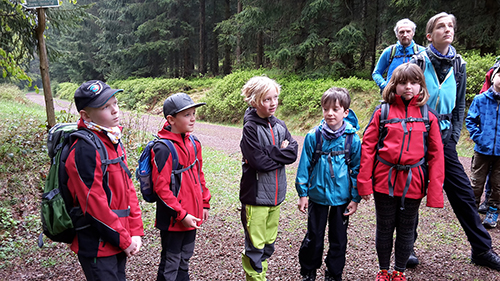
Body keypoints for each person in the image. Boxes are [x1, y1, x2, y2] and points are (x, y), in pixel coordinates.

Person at [411, 12, 500, 271]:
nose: (447, 29)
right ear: (430, 35)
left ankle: (482, 249)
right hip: (417, 136)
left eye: (450, 26)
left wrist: (453, 134)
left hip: (445, 139)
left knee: (462, 194)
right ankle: (407, 248)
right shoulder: (419, 61)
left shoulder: (458, 64)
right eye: (441, 26)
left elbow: (460, 104)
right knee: (412, 192)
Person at [358, 63, 445, 281]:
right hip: (383, 181)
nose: (408, 87)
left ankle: (399, 271)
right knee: (384, 228)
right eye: (403, 82)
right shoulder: (382, 112)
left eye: (414, 82)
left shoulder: (429, 117)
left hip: (413, 182)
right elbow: (367, 149)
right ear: (393, 85)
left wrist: (434, 192)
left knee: (406, 230)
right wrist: (364, 183)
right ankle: (383, 270)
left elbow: (436, 156)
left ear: (421, 86)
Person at [67, 80, 144, 280]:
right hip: (97, 245)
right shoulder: (84, 149)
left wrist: (134, 230)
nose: (115, 111)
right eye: (105, 107)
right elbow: (94, 205)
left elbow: (128, 189)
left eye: (115, 103)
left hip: (117, 239)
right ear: (85, 115)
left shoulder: (112, 139)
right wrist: (124, 240)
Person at [295, 87, 362, 281]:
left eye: (335, 109)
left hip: (342, 197)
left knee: (339, 238)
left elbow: (357, 169)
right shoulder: (313, 137)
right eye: (326, 109)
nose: (330, 113)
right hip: (317, 195)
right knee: (314, 235)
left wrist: (355, 198)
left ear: (346, 112)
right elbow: (304, 167)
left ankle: (334, 272)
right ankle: (308, 269)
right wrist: (303, 194)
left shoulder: (352, 139)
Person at [239, 76, 298, 281]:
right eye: (267, 99)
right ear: (254, 101)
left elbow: (293, 152)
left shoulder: (280, 125)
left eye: (275, 98)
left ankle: (260, 276)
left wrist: (269, 153)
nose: (273, 103)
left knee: (268, 244)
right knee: (255, 246)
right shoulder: (250, 128)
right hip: (255, 198)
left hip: (276, 197)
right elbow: (258, 163)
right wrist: (278, 154)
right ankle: (256, 279)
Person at [152, 93, 211, 281]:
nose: (193, 118)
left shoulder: (194, 143)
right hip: (174, 219)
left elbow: (199, 175)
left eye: (193, 113)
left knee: (185, 257)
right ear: (171, 119)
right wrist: (181, 214)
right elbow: (161, 188)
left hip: (192, 214)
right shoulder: (163, 148)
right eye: (186, 115)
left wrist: (204, 203)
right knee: (171, 261)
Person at [466, 66, 500, 228]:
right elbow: (470, 121)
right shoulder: (480, 99)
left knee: (497, 184)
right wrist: (479, 138)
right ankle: (472, 210)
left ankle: (493, 211)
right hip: (482, 150)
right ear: (493, 78)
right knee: (476, 182)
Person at [372, 18, 425, 91]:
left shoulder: (422, 52)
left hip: (414, 96)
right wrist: (384, 86)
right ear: (397, 35)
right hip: (392, 96)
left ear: (413, 33)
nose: (405, 35)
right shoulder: (389, 51)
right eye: (401, 32)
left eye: (408, 31)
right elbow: (376, 73)